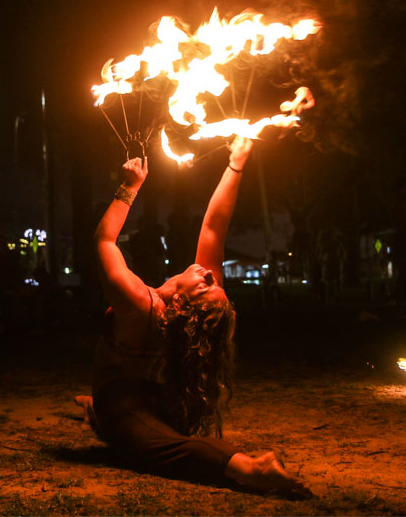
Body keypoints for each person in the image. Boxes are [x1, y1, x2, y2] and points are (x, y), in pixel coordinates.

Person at [75, 137, 312, 497]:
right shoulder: (171, 305)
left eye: (207, 285)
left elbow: (105, 241)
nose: (208, 274)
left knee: (157, 446)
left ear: (184, 307)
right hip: (152, 400)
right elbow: (215, 227)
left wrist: (129, 187)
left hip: (124, 406)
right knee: (131, 432)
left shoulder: (141, 305)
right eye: (213, 280)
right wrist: (236, 164)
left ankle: (251, 467)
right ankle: (95, 414)